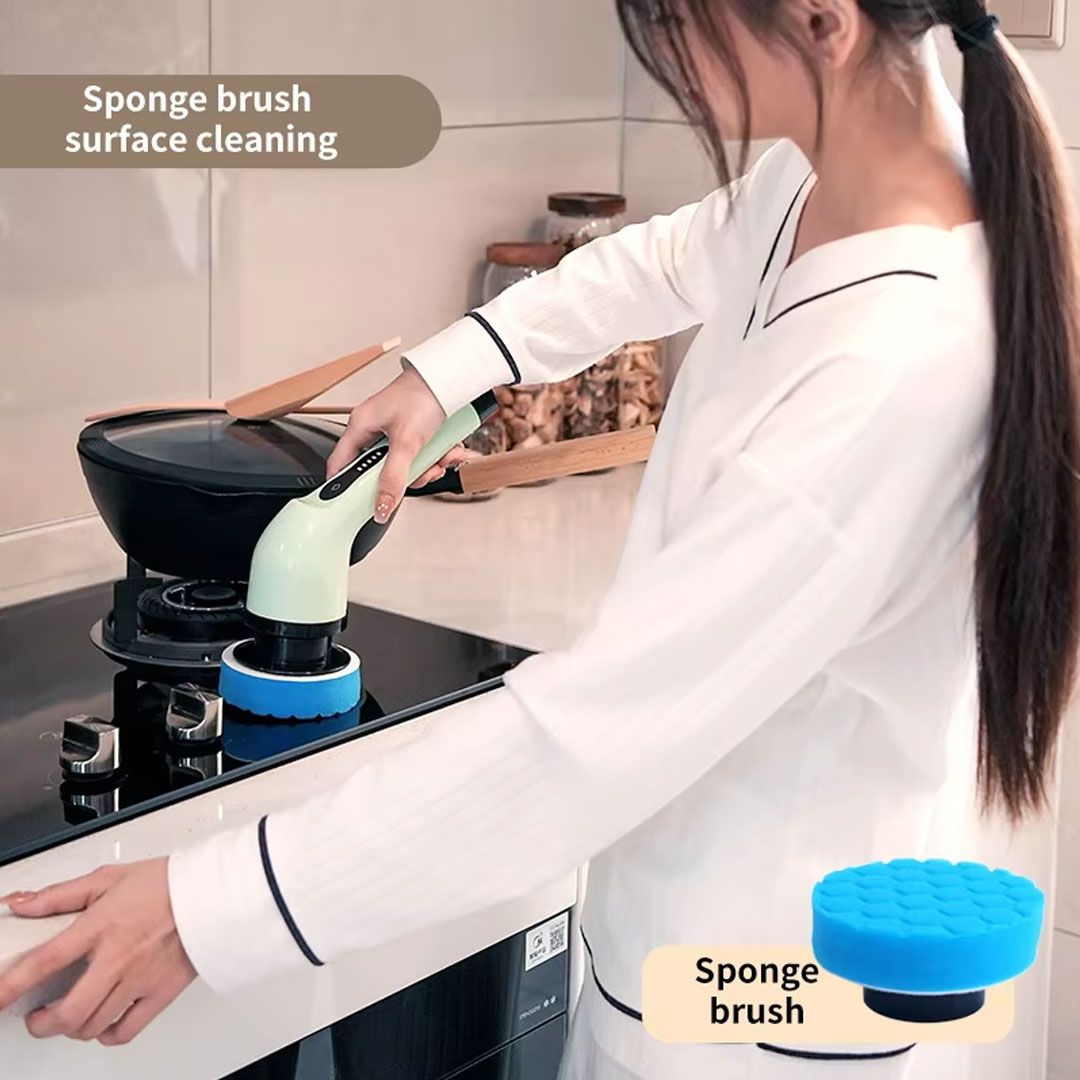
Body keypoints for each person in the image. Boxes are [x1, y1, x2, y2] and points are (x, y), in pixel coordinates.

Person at [1, 0, 1077, 1076]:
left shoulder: (893, 367)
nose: (667, 61)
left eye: (679, 23)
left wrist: (208, 908)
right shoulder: (833, 179)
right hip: (685, 954)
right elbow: (671, 257)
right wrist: (451, 369)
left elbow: (599, 731)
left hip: (770, 1011)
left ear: (820, 22)